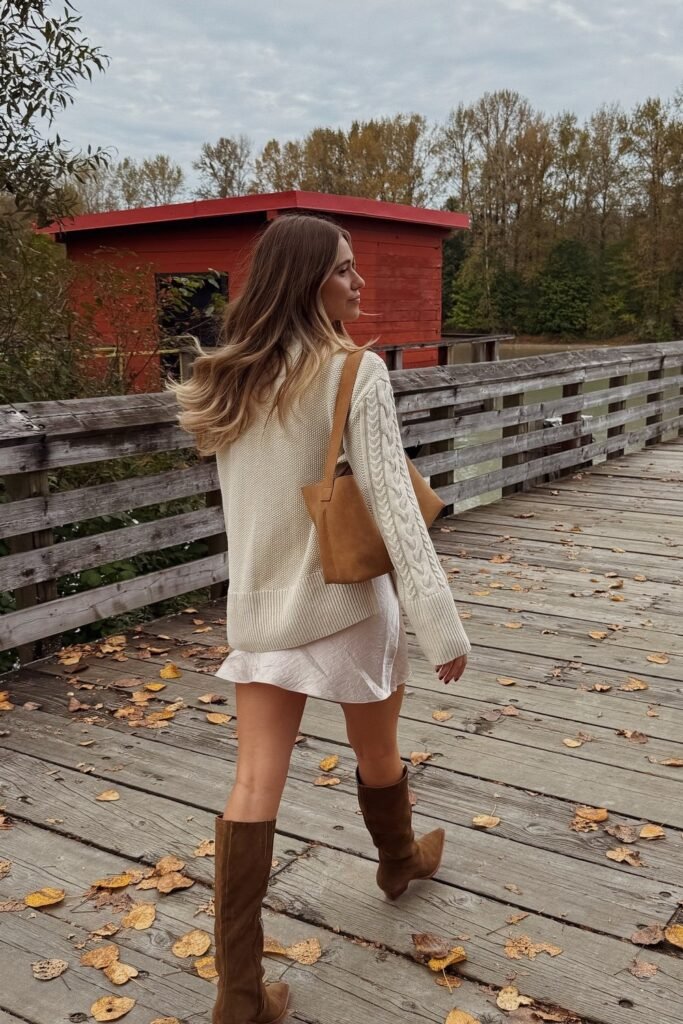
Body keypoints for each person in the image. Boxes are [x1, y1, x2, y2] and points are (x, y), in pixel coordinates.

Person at [169, 214, 470, 1024]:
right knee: (376, 750)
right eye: (343, 270)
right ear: (308, 282)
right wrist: (440, 623)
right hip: (345, 605)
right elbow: (395, 516)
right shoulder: (353, 371)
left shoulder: (227, 380)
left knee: (253, 781)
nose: (358, 283)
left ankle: (237, 994)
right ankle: (398, 860)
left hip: (263, 615)